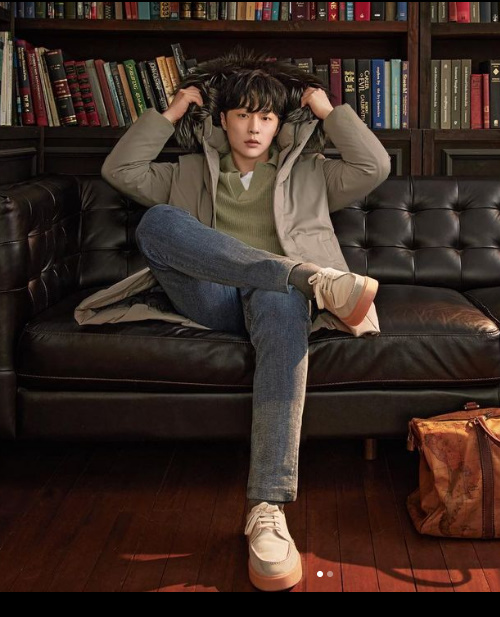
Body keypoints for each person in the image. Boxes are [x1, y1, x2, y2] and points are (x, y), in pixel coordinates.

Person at [100, 49, 391, 592]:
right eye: (242, 115)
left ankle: (267, 509)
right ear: (222, 120)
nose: (254, 128)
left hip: (277, 307)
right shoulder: (188, 171)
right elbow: (120, 171)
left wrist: (327, 109)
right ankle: (305, 277)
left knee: (279, 297)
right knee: (158, 221)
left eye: (266, 117)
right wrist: (172, 110)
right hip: (211, 299)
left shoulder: (309, 174)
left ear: (280, 125)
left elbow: (374, 167)